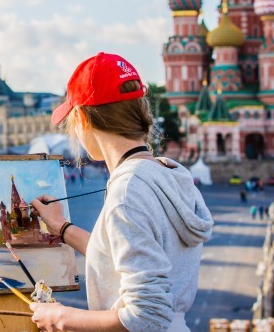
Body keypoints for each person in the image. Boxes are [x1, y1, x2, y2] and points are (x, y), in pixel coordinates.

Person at [29, 52, 212, 332]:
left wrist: (59, 317)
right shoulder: (167, 174)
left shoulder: (127, 192)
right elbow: (123, 260)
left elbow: (147, 315)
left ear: (83, 120)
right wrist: (62, 228)